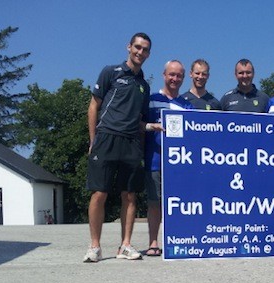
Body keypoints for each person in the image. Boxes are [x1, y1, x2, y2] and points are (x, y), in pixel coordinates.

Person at [83, 32, 159, 263]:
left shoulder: (144, 86)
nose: (140, 52)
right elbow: (93, 106)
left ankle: (125, 245)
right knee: (99, 193)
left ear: (149, 53)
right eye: (137, 47)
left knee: (130, 195)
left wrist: (150, 127)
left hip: (131, 143)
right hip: (106, 138)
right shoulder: (111, 72)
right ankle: (95, 247)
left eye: (145, 49)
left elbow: (139, 120)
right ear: (128, 47)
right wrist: (93, 140)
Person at [144, 60, 194, 256]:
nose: (175, 79)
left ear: (183, 78)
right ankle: (153, 242)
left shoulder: (187, 105)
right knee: (154, 202)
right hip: (154, 159)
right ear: (164, 75)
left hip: (179, 163)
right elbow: (140, 126)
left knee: (179, 203)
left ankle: (181, 239)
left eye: (179, 75)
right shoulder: (151, 100)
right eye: (171, 74)